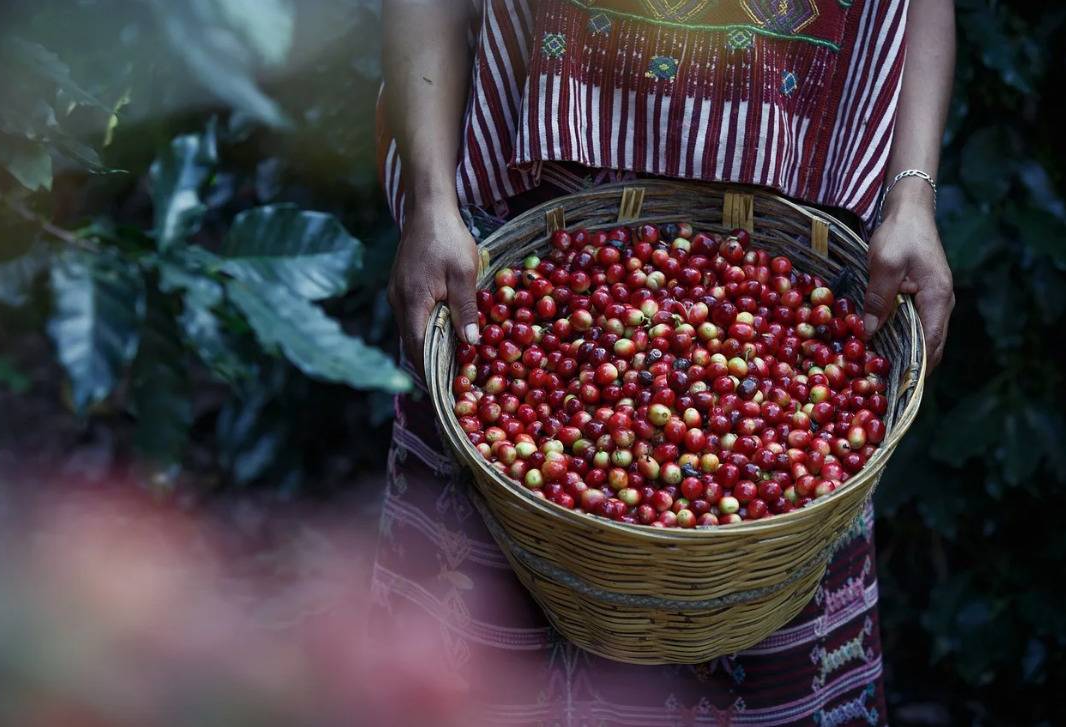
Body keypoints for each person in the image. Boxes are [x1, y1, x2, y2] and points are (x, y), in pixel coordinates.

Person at [375, 1, 955, 724]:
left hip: (782, 256)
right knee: (468, 672)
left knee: (766, 587)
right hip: (518, 251)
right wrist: (433, 201)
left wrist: (912, 196)